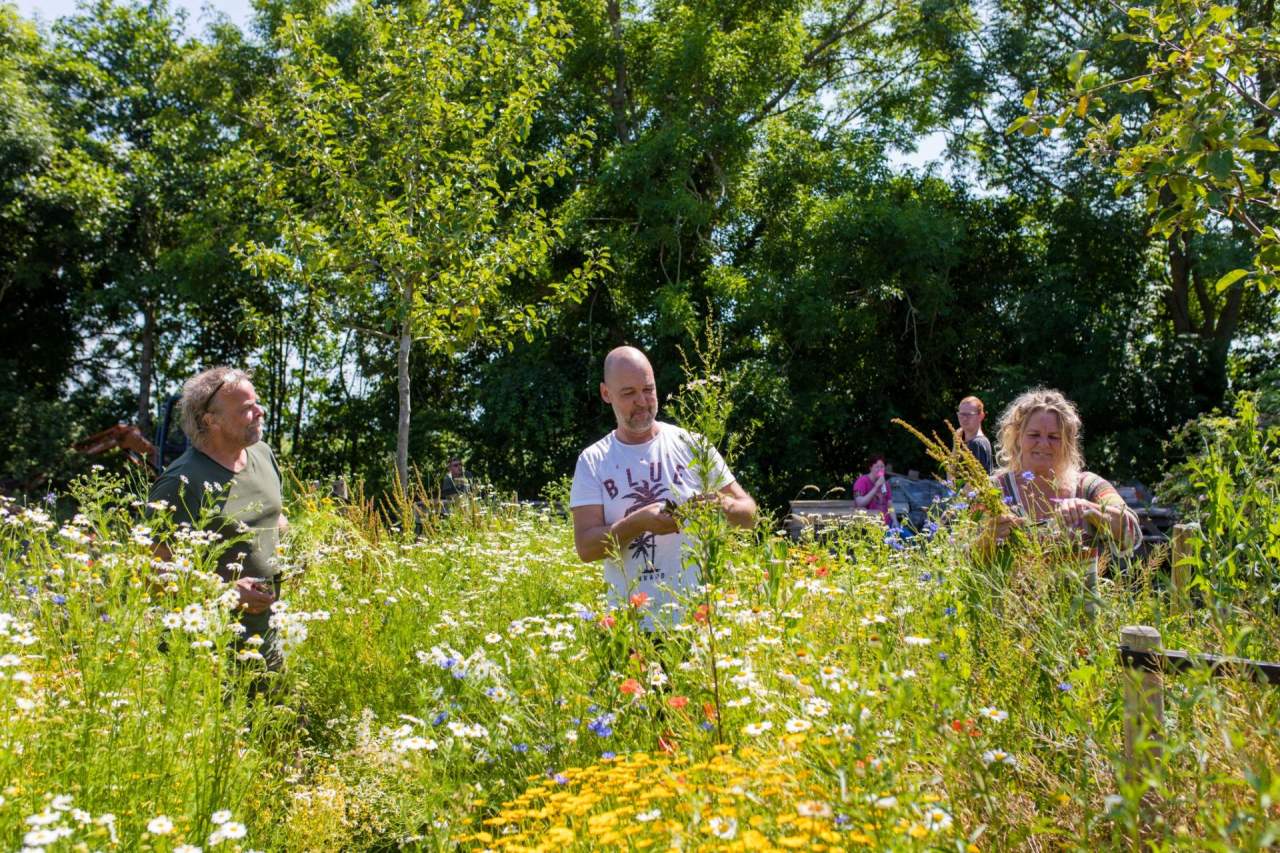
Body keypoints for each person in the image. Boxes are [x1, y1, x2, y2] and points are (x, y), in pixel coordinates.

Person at [569, 346, 757, 629]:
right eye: (629, 393)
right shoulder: (594, 461)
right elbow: (586, 548)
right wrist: (639, 522)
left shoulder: (692, 444)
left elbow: (750, 516)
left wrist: (720, 503)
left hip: (699, 618)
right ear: (606, 394)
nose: (642, 402)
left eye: (648, 389)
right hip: (631, 625)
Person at [148, 367, 288, 672]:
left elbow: (273, 515)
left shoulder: (262, 455)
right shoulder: (181, 481)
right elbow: (153, 573)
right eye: (247, 409)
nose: (260, 412)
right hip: (209, 650)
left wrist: (294, 554)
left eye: (257, 403)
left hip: (269, 636)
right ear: (211, 420)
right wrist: (226, 592)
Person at [980, 388, 1140, 558]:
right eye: (1034, 435)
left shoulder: (1088, 487)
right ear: (1018, 437)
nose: (1043, 444)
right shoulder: (993, 490)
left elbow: (1132, 534)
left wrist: (1090, 510)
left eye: (1054, 437)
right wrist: (985, 540)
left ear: (1068, 442)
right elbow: (959, 557)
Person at [853, 454, 896, 526]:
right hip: (871, 525)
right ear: (870, 468)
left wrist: (895, 520)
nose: (880, 470)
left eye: (882, 467)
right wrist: (876, 487)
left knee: (909, 536)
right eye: (877, 467)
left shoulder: (886, 484)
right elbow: (859, 503)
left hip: (888, 523)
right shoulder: (861, 482)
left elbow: (890, 506)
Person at [957, 395, 993, 474]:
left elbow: (973, 483)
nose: (964, 418)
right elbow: (951, 478)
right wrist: (955, 443)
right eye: (962, 414)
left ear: (981, 416)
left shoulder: (977, 444)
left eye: (969, 415)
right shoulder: (978, 442)